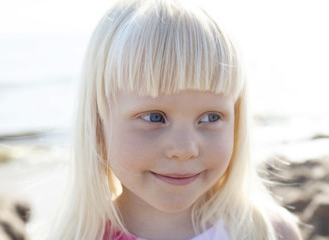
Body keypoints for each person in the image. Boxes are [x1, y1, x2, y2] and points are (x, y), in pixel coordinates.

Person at [50, 0, 302, 239]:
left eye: (211, 117)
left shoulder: (269, 233)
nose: (184, 150)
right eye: (154, 117)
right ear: (98, 121)